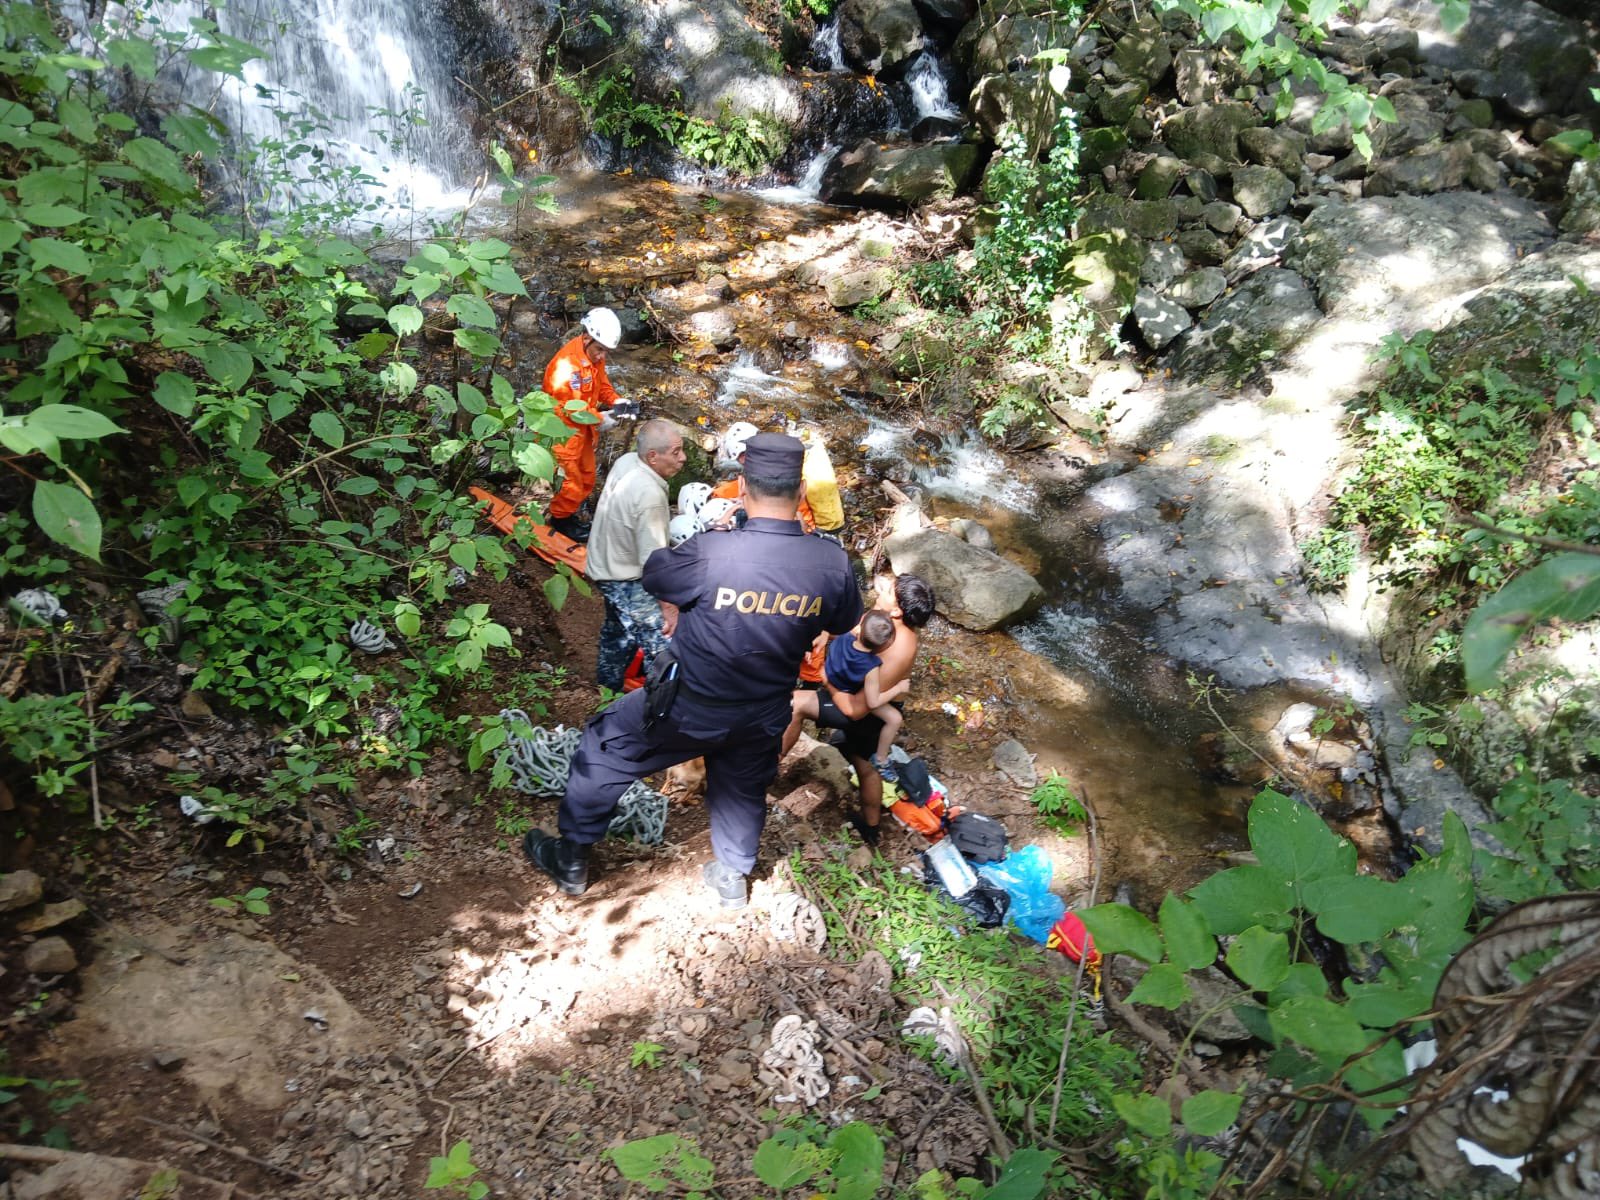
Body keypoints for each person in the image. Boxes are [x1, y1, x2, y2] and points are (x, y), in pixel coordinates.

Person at [524, 433, 863, 909]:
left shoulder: (713, 551)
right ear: (801, 491)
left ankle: (573, 860)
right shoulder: (831, 563)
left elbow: (658, 574)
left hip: (687, 706)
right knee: (742, 785)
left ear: (742, 487)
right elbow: (843, 621)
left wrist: (716, 532)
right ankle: (731, 878)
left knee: (603, 745)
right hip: (765, 710)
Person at [781, 573, 936, 845]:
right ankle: (871, 827)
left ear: (898, 610)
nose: (884, 590)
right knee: (864, 764)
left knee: (795, 705)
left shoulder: (899, 649)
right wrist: (827, 633)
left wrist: (827, 680)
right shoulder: (886, 617)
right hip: (856, 693)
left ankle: (762, 770)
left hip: (865, 708)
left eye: (890, 591)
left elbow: (856, 710)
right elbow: (856, 630)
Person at [585, 420, 686, 692]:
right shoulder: (650, 496)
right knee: (663, 647)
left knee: (617, 633)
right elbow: (655, 564)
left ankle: (606, 691)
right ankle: (660, 710)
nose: (683, 458)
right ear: (653, 457)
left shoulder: (629, 460)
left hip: (602, 562)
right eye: (676, 452)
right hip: (624, 577)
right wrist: (669, 608)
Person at [543, 307, 630, 543]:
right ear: (586, 337)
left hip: (582, 432)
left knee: (587, 476)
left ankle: (570, 511)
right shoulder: (565, 369)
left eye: (606, 351)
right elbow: (570, 409)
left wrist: (616, 401)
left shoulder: (592, 356)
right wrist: (602, 419)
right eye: (599, 349)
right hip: (562, 434)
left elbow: (601, 385)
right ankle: (561, 521)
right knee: (569, 482)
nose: (602, 356)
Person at [790, 610, 907, 781]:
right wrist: (898, 688)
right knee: (895, 718)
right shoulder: (871, 666)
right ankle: (881, 759)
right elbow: (873, 702)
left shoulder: (843, 637)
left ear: (860, 628)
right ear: (885, 645)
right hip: (846, 693)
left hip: (831, 676)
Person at [711, 422, 816, 532]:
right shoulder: (790, 472)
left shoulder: (725, 492)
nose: (743, 460)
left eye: (743, 455)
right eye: (740, 458)